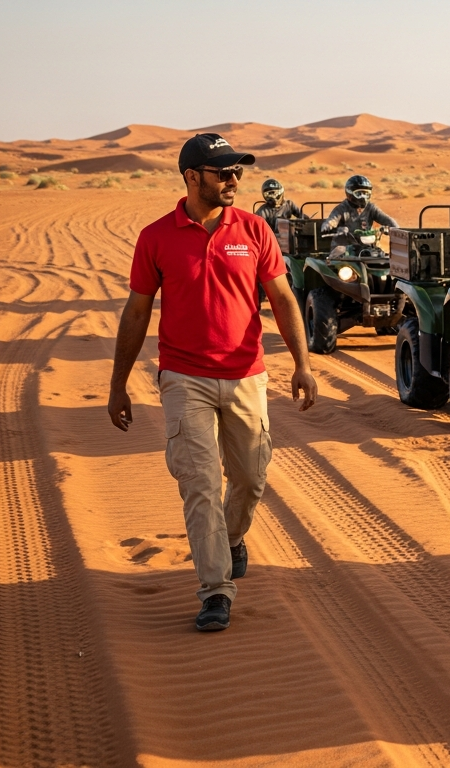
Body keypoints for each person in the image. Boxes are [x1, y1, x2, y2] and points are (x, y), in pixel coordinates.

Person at [107, 133, 318, 632]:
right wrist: (117, 383)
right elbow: (137, 312)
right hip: (184, 378)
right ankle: (215, 590)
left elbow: (284, 299)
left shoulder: (255, 230)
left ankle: (233, 538)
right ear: (191, 176)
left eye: (237, 172)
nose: (233, 180)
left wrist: (303, 364)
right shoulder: (156, 237)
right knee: (200, 482)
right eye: (222, 172)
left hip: (246, 375)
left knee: (250, 478)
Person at [319, 175, 398, 258]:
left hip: (368, 244)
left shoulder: (371, 208)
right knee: (338, 254)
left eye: (366, 194)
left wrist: (396, 229)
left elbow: (387, 219)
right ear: (349, 192)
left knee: (382, 257)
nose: (363, 197)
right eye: (359, 193)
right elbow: (333, 219)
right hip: (345, 244)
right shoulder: (342, 208)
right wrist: (328, 226)